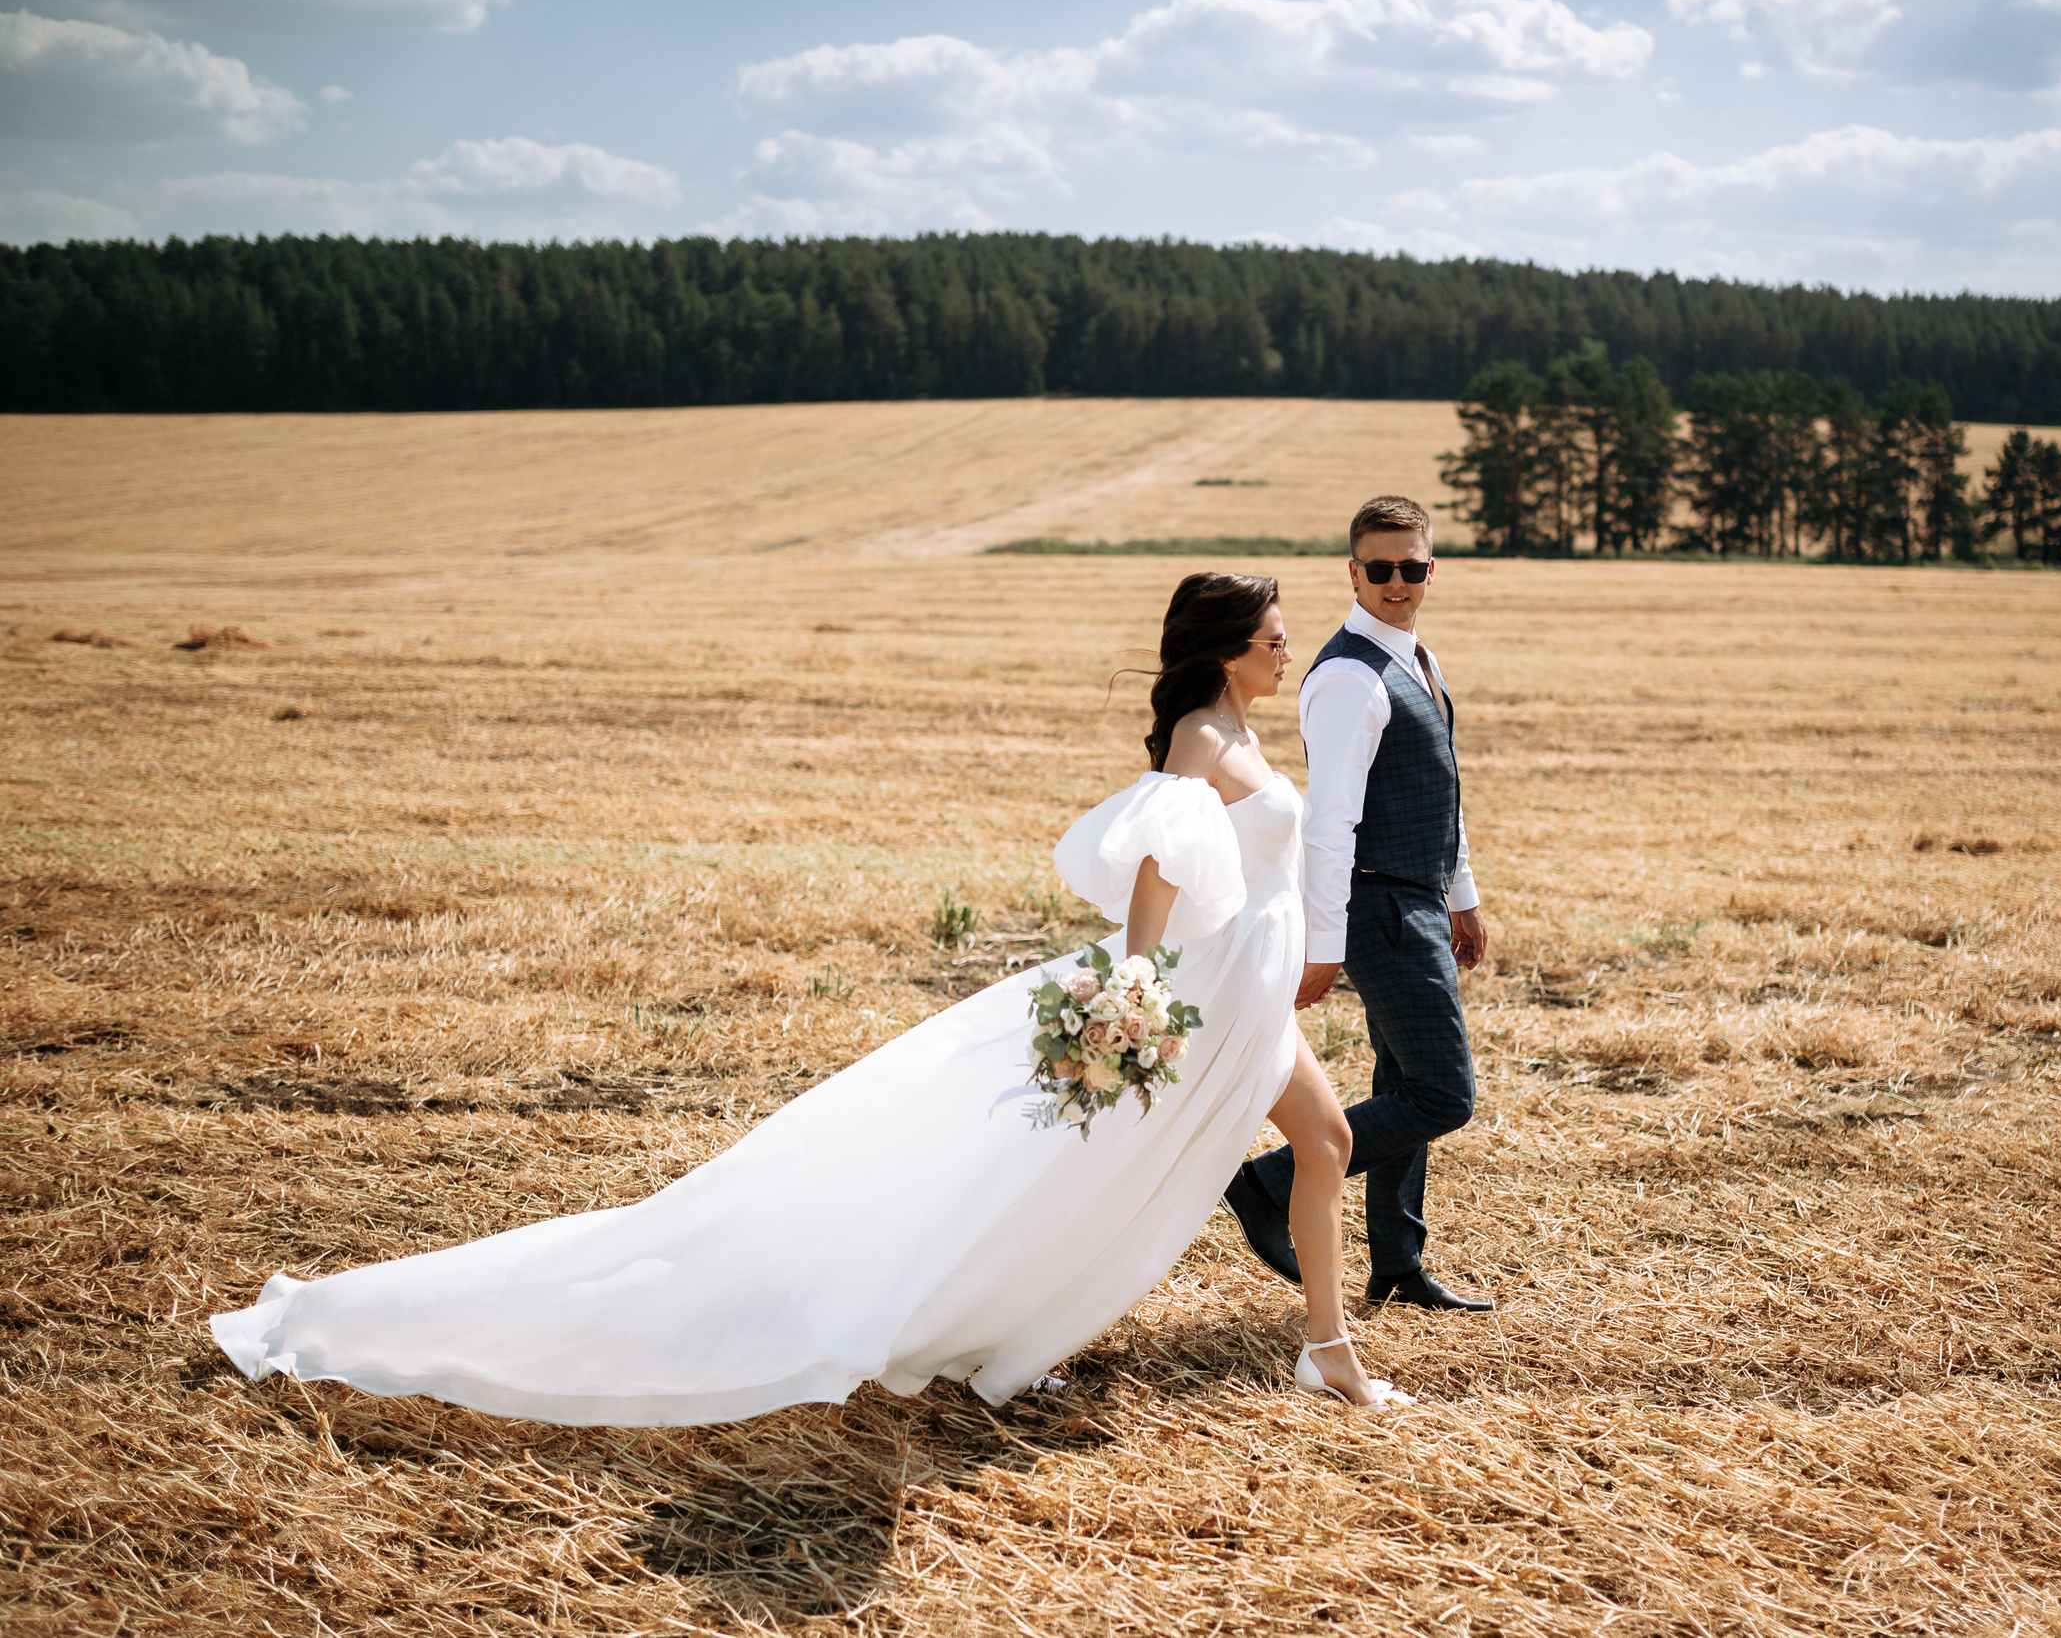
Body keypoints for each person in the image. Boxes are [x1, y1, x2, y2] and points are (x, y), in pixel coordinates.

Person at [209, 572, 1415, 1419]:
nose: (1283, 645)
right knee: (1093, 1165)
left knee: (1325, 1140)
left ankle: (1321, 1349)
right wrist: (1138, 981)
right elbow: (1159, 866)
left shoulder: (1237, 731)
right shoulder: (1203, 738)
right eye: (1269, 632)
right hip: (1198, 1000)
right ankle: (1054, 1322)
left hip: (1244, 988)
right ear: (1222, 645)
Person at [1223, 496, 1493, 1313]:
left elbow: (1440, 794)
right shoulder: (1346, 676)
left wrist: (1463, 897)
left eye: (1412, 566)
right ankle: (1268, 1182)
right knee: (1444, 1093)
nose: (1397, 582)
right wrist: (1328, 940)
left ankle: (1398, 1262)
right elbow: (1331, 821)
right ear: (1353, 571)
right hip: (1376, 907)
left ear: (1431, 568)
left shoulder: (1418, 659)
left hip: (1416, 898)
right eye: (1380, 568)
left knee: (1402, 1076)